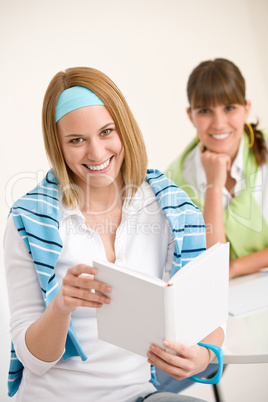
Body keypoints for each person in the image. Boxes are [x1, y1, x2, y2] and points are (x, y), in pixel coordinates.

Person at [4, 66, 224, 402]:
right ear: (58, 146)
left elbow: (207, 320)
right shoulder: (29, 219)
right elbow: (33, 361)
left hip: (135, 394)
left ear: (124, 128)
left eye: (106, 132)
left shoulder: (169, 207)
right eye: (76, 140)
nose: (96, 153)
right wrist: (60, 307)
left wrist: (203, 356)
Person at [166, 58, 268, 279]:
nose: (219, 123)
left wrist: (234, 267)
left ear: (246, 109)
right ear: (190, 115)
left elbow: (223, 269)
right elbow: (211, 267)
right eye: (205, 111)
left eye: (229, 108)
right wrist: (213, 186)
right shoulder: (175, 181)